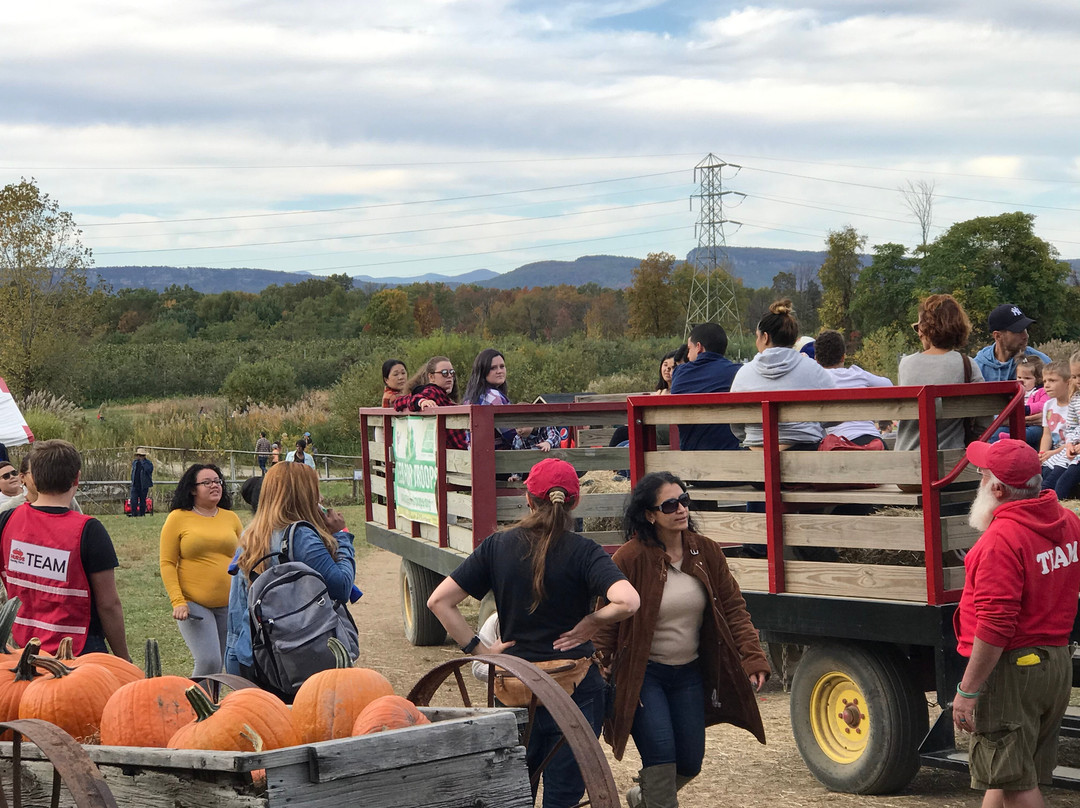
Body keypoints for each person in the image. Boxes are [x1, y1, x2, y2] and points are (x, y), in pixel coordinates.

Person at [426, 458, 640, 808]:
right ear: (575, 502)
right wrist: (592, 622)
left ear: (528, 498)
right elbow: (628, 602)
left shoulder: (497, 547)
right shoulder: (585, 552)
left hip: (515, 685)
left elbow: (439, 601)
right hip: (573, 690)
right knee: (563, 798)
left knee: (513, 795)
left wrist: (478, 649)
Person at [596, 473, 768, 808]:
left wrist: (752, 655)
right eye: (670, 505)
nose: (681, 509)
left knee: (690, 761)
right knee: (660, 756)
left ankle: (644, 798)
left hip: (689, 674)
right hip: (645, 676)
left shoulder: (706, 551)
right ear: (650, 514)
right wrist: (600, 668)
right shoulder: (629, 559)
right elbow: (607, 621)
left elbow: (733, 607)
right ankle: (657, 796)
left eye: (684, 500)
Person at [952, 439, 1080, 807]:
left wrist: (968, 691)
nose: (979, 482)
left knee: (1016, 782)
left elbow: (995, 625)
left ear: (997, 489)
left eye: (981, 476)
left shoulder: (1000, 541)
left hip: (1013, 670)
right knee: (1007, 774)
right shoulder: (1068, 521)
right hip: (1054, 662)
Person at [225, 462, 357, 685]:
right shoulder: (301, 535)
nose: (321, 498)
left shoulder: (251, 534)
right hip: (296, 657)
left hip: (253, 654)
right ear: (303, 494)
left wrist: (234, 654)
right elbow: (341, 587)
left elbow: (238, 605)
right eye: (315, 489)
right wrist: (342, 535)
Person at [0, 440, 129, 659]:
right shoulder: (89, 530)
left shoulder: (6, 521)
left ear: (32, 477)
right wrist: (123, 658)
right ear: (76, 477)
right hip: (79, 649)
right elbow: (108, 604)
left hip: (22, 650)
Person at [159, 463, 243, 677]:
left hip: (229, 604)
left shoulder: (230, 518)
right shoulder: (178, 518)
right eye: (207, 482)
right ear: (192, 489)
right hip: (194, 604)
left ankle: (211, 708)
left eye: (217, 481)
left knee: (221, 665)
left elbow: (244, 557)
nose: (214, 486)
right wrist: (178, 601)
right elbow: (167, 563)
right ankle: (193, 707)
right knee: (208, 661)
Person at [730, 300, 835, 449]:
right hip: (804, 452)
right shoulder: (812, 369)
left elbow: (736, 425)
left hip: (755, 455)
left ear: (765, 337)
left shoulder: (744, 373)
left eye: (757, 336)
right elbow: (833, 417)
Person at [896, 294, 985, 453]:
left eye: (919, 327)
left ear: (925, 328)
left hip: (907, 461)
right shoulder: (967, 365)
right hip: (954, 464)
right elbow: (984, 420)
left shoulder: (906, 364)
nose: (918, 333)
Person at [669, 323, 741, 451]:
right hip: (729, 453)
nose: (688, 356)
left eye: (689, 349)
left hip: (691, 455)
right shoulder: (737, 372)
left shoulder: (680, 373)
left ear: (699, 347)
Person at [814, 329, 892, 447]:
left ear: (817, 359)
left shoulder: (817, 379)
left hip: (840, 444)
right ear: (843, 357)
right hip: (873, 440)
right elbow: (888, 385)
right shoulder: (858, 374)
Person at [393, 356, 469, 449]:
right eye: (444, 373)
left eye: (452, 373)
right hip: (452, 454)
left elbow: (401, 401)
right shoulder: (433, 391)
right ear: (431, 377)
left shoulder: (443, 396)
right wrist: (420, 401)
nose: (449, 376)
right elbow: (400, 402)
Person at [972, 304, 1051, 382]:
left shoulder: (1040, 362)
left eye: (1025, 329)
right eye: (1018, 331)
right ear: (998, 336)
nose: (1026, 336)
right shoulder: (978, 367)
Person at [1038, 361, 1071, 494]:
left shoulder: (1075, 406)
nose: (1046, 385)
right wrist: (1042, 454)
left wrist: (1052, 453)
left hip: (1069, 452)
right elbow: (1047, 434)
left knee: (1050, 481)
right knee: (1039, 473)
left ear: (1068, 382)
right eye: (1045, 381)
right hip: (1054, 452)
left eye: (1052, 380)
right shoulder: (1048, 405)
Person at [129, 448, 154, 517]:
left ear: (143, 456)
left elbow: (149, 470)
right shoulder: (135, 462)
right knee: (133, 500)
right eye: (138, 455)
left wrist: (143, 463)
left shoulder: (148, 463)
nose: (138, 457)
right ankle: (134, 514)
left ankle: (142, 514)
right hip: (135, 484)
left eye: (140, 455)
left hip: (144, 485)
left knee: (143, 500)